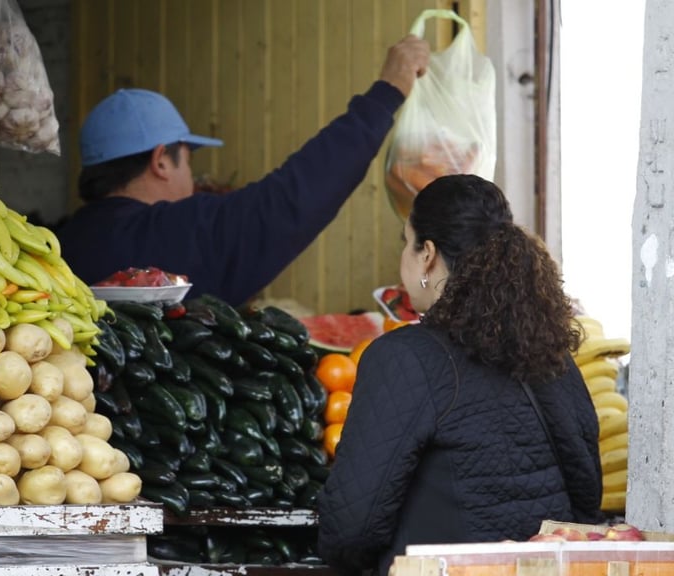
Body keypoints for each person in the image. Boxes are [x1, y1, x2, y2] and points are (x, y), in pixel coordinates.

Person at [316, 174, 604, 576]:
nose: (404, 255)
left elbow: (350, 530)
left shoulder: (404, 357)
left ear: (428, 255)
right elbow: (587, 498)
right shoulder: (551, 356)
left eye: (406, 241)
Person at [56, 35, 431, 306]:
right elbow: (290, 200)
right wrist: (386, 94)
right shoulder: (177, 232)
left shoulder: (60, 244)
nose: (193, 177)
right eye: (188, 159)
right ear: (160, 161)